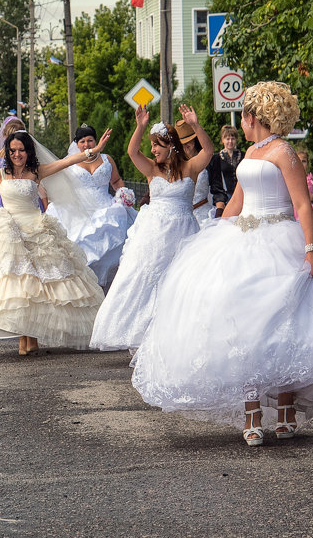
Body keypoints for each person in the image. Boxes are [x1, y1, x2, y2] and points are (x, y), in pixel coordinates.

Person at [130, 82, 313, 446]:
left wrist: (311, 248)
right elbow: (236, 202)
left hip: (282, 239)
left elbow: (303, 204)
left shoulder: (283, 151)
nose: (240, 124)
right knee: (243, 324)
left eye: (243, 116)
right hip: (244, 239)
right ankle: (251, 413)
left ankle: (286, 408)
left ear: (252, 117)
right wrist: (215, 237)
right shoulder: (250, 152)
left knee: (286, 326)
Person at [0, 130, 108, 356]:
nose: (16, 154)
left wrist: (93, 151)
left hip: (36, 229)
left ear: (28, 151)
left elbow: (66, 162)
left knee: (39, 286)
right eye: (12, 150)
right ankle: (26, 339)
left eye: (21, 150)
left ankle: (31, 339)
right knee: (18, 286)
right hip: (9, 230)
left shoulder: (36, 172)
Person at [90, 104, 213, 352]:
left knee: (179, 282)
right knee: (143, 279)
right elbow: (132, 151)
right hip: (154, 234)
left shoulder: (190, 168)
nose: (153, 150)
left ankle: (175, 334)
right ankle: (141, 333)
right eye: (152, 145)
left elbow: (209, 150)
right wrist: (140, 126)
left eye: (157, 145)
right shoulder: (151, 169)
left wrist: (195, 124)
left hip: (183, 233)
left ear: (171, 146)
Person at [47, 123, 136, 287]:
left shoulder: (107, 159)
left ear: (96, 141)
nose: (86, 144)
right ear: (76, 144)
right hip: (79, 210)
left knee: (114, 246)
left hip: (106, 207)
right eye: (82, 141)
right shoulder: (70, 162)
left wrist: (123, 193)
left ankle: (107, 286)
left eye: (90, 140)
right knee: (80, 245)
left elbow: (116, 181)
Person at [176, 118, 217, 226]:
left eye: (187, 142)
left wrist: (220, 211)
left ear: (194, 142)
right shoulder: (176, 164)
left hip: (204, 216)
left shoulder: (209, 161)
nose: (185, 146)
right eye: (181, 144)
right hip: (181, 217)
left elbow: (217, 189)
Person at [209, 124, 242, 214]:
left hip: (241, 195)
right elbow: (215, 182)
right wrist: (220, 202)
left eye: (233, 139)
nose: (230, 141)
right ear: (222, 140)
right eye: (227, 139)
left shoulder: (243, 155)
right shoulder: (217, 158)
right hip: (224, 197)